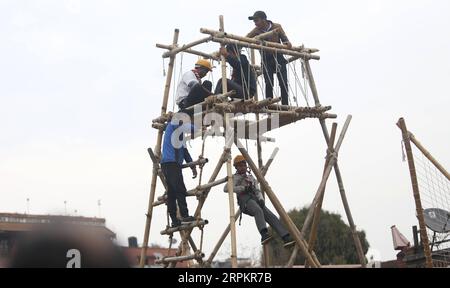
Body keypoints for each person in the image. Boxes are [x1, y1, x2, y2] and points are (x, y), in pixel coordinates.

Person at [224, 155, 295, 247]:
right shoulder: (234, 178)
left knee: (269, 215)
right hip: (245, 202)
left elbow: (257, 190)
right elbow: (226, 188)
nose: (242, 167)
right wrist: (243, 188)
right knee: (258, 210)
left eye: (243, 165)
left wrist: (261, 199)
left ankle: (285, 236)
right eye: (240, 166)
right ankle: (264, 234)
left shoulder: (250, 177)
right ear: (236, 167)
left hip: (255, 199)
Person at [247, 11, 292, 105]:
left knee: (283, 82)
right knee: (269, 82)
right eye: (254, 21)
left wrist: (287, 43)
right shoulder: (256, 31)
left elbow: (285, 40)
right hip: (266, 58)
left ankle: (285, 105)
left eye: (256, 20)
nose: (255, 23)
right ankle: (269, 105)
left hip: (278, 56)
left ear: (264, 20)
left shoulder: (277, 27)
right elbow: (245, 39)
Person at [161, 119, 198, 227]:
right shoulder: (173, 125)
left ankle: (175, 220)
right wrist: (198, 128)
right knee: (180, 190)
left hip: (170, 165)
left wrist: (192, 166)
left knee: (172, 193)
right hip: (171, 163)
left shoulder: (179, 136)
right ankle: (184, 215)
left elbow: (185, 152)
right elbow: (191, 128)